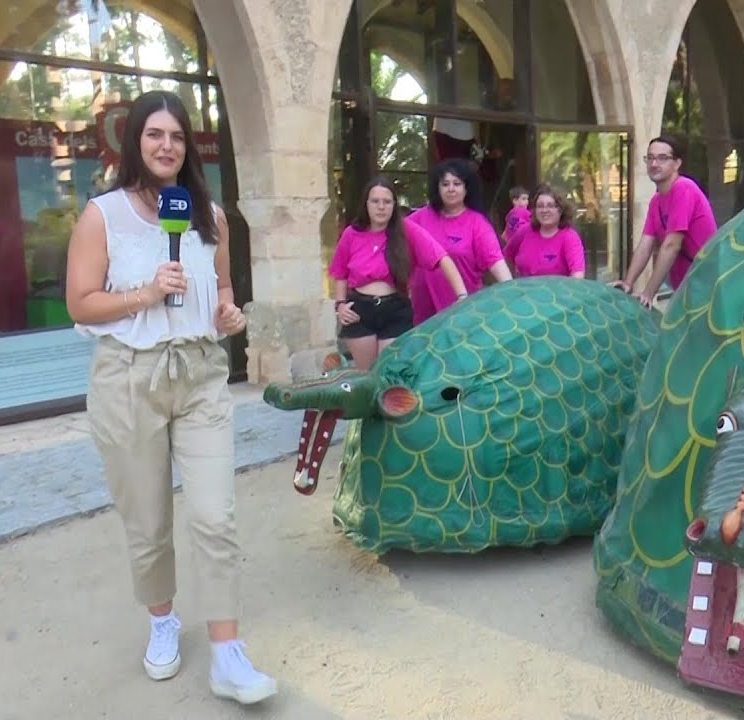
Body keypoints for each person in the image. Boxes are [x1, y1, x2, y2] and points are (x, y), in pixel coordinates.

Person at [64, 90, 277, 705]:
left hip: (201, 372)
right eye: (155, 135)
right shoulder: (102, 215)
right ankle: (162, 621)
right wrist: (143, 293)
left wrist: (230, 316)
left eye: (177, 137)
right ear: (135, 142)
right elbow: (81, 301)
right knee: (149, 522)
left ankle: (228, 655)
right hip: (128, 379)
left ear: (189, 147)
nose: (166, 146)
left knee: (215, 515)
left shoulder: (208, 217)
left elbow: (224, 291)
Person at [330, 177, 469, 369]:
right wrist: (340, 305)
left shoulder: (407, 230)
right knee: (367, 376)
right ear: (366, 204)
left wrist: (462, 296)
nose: (381, 207)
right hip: (360, 311)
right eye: (375, 201)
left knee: (387, 372)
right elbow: (340, 272)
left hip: (395, 310)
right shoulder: (351, 234)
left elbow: (442, 258)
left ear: (394, 205)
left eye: (387, 202)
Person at [611, 134, 718, 307]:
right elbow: (645, 245)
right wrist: (628, 283)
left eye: (662, 158)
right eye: (650, 158)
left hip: (707, 287)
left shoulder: (684, 189)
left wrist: (648, 294)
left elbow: (671, 245)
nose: (654, 164)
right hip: (686, 289)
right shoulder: (656, 201)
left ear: (677, 163)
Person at [407, 158, 512, 324]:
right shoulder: (420, 217)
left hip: (463, 313)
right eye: (445, 184)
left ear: (466, 188)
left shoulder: (477, 223)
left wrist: (512, 293)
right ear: (437, 188)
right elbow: (392, 243)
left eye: (457, 183)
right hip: (422, 315)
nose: (451, 189)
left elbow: (495, 262)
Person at [504, 183, 586, 279]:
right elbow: (506, 256)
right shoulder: (524, 231)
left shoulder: (570, 237)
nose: (544, 210)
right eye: (540, 206)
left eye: (550, 206)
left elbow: (577, 275)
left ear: (561, 210)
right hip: (524, 292)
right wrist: (510, 282)